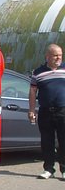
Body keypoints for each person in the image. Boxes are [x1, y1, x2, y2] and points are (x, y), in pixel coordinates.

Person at [28, 43, 65, 180]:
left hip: (63, 110)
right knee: (47, 141)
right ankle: (49, 168)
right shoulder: (38, 72)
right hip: (46, 112)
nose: (58, 58)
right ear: (47, 56)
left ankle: (64, 169)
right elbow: (32, 91)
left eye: (60, 56)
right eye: (55, 55)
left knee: (64, 141)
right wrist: (32, 110)